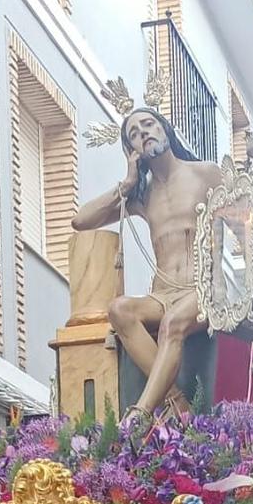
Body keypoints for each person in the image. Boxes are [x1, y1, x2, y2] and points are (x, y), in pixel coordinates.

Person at [74, 106, 224, 418]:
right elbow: (81, 220)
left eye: (148, 124)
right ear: (133, 151)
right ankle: (175, 400)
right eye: (134, 133)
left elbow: (245, 222)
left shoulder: (206, 173)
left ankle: (140, 414)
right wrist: (126, 185)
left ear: (164, 128)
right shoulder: (141, 195)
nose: (143, 132)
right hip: (163, 293)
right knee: (119, 309)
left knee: (171, 325)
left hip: (203, 291)